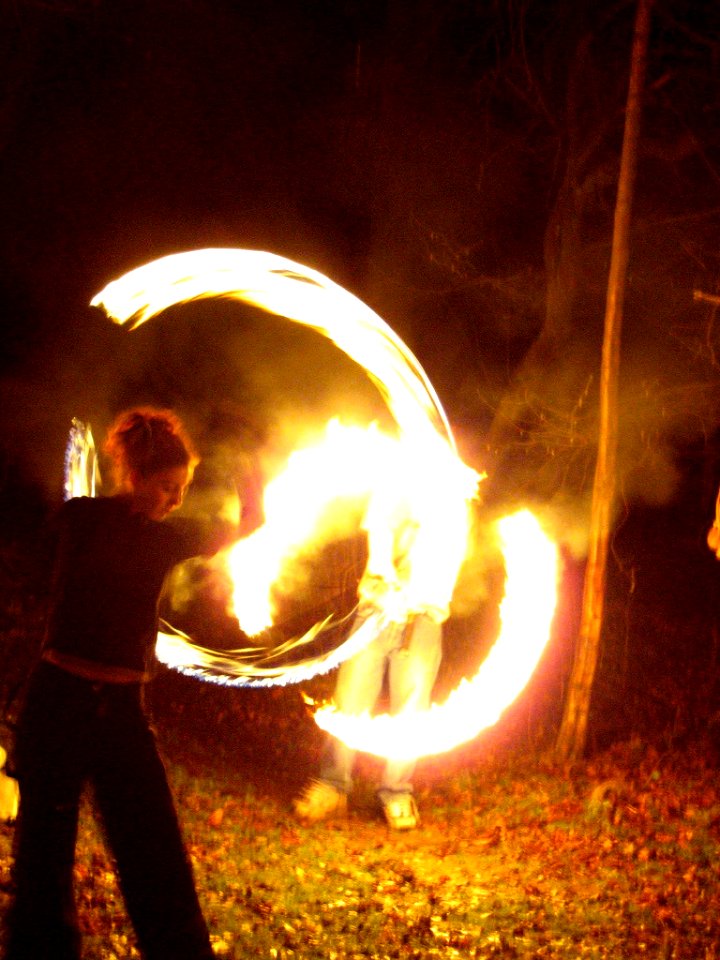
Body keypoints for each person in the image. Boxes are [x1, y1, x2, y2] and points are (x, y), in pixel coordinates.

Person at [6, 407, 237, 960]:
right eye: (166, 488)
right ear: (134, 477)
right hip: (59, 702)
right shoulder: (82, 519)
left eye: (183, 490)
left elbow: (231, 529)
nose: (175, 500)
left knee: (153, 847)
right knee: (43, 855)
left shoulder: (159, 536)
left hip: (122, 711)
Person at [293, 604, 442, 830]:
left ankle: (396, 791)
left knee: (411, 710)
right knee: (349, 701)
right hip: (376, 607)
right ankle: (333, 786)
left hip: (424, 614)